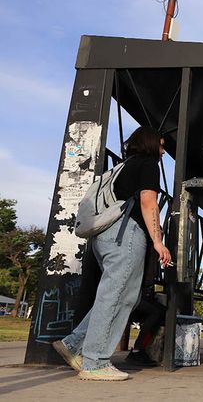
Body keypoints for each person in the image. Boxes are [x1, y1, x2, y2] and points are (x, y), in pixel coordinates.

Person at [53, 126, 171, 381]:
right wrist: (158, 242)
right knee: (116, 295)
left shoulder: (123, 167)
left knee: (122, 297)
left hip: (105, 235)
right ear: (151, 144)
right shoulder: (148, 164)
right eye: (161, 146)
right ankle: (95, 362)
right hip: (125, 234)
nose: (163, 152)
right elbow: (148, 201)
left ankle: (74, 344)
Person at [126, 248, 166, 367]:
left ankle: (140, 349)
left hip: (140, 292)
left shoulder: (149, 249)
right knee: (157, 312)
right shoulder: (144, 247)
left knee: (160, 312)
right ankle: (139, 349)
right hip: (132, 292)